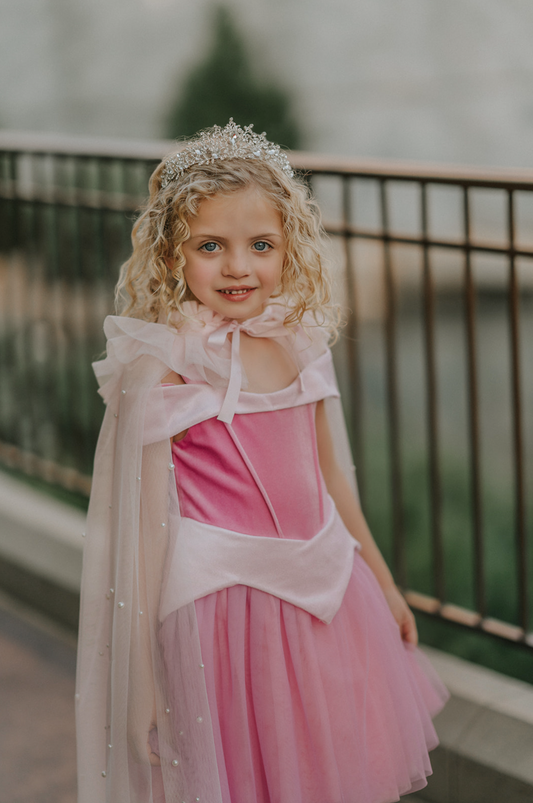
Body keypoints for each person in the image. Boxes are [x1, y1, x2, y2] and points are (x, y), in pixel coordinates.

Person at [76, 120, 449, 803]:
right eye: (210, 246)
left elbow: (331, 477)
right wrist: (144, 681)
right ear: (171, 254)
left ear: (288, 249)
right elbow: (144, 531)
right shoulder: (162, 368)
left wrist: (384, 581)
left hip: (328, 597)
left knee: (323, 766)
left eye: (260, 245)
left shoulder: (300, 339)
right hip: (225, 617)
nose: (238, 266)